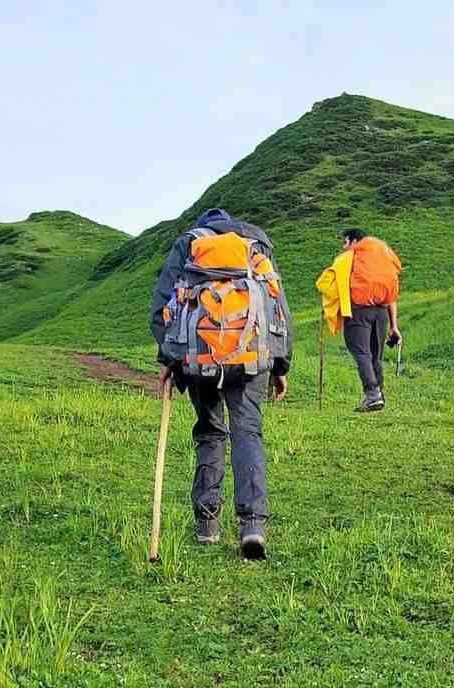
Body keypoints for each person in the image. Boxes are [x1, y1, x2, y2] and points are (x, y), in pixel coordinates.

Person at [149, 208, 293, 559]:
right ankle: (253, 525)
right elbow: (277, 306)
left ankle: (207, 523)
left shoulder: (190, 243)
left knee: (210, 431)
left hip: (200, 356)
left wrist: (168, 358)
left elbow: (163, 305)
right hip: (250, 355)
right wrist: (280, 364)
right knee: (247, 432)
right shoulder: (256, 245)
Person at [317, 228, 402, 412]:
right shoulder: (384, 255)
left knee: (361, 351)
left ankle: (372, 395)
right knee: (375, 355)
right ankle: (379, 394)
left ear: (355, 242)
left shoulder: (350, 258)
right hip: (381, 312)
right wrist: (394, 326)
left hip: (359, 311)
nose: (344, 246)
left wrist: (327, 300)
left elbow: (327, 282)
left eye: (345, 242)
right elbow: (392, 295)